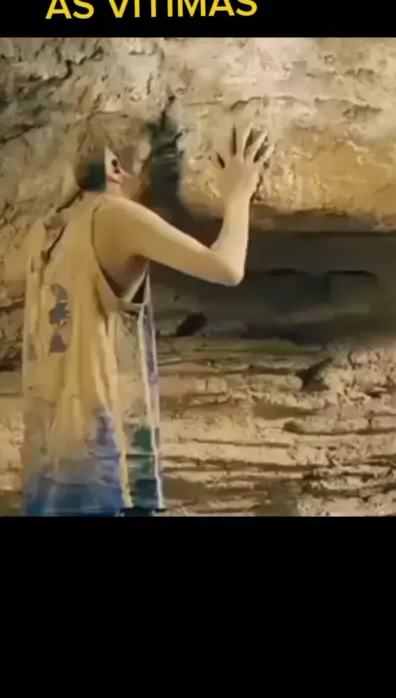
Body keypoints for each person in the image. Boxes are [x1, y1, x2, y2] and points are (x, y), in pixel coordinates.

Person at [21, 115, 274, 516]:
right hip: (97, 463)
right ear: (114, 167)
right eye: (148, 168)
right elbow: (227, 268)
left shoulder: (45, 230)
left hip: (51, 463)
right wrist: (238, 194)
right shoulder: (114, 215)